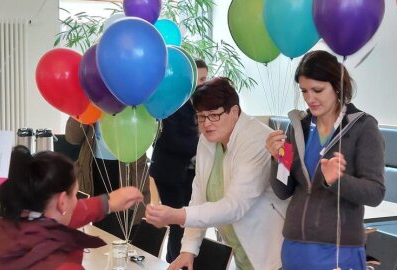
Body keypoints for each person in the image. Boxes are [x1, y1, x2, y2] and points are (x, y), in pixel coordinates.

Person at [146, 77, 287, 270]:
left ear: (234, 112)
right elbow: (199, 197)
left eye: (214, 115)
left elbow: (235, 206)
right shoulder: (208, 140)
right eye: (201, 117)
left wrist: (178, 215)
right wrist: (188, 249)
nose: (206, 124)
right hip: (241, 252)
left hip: (272, 255)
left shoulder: (256, 140)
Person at [265, 50, 385, 270]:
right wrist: (278, 160)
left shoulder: (364, 128)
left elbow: (375, 193)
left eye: (317, 90)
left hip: (339, 251)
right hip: (294, 247)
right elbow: (284, 190)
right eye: (304, 91)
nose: (310, 98)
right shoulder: (297, 127)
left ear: (337, 86)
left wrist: (336, 181)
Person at [0, 145, 143, 269]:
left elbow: (58, 217)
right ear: (62, 202)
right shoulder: (63, 264)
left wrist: (107, 203)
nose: (76, 201)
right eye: (74, 195)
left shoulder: (9, 230)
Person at [149, 59, 208, 263]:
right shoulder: (174, 102)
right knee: (179, 222)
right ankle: (176, 262)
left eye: (205, 79)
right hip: (170, 172)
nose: (203, 84)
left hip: (190, 173)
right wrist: (204, 143)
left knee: (186, 221)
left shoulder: (200, 104)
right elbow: (172, 140)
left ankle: (172, 261)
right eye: (199, 79)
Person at [66, 118, 150, 239]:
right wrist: (84, 108)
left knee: (127, 237)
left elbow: (151, 133)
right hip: (92, 172)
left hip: (128, 173)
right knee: (94, 234)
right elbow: (72, 137)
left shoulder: (136, 101)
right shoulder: (92, 101)